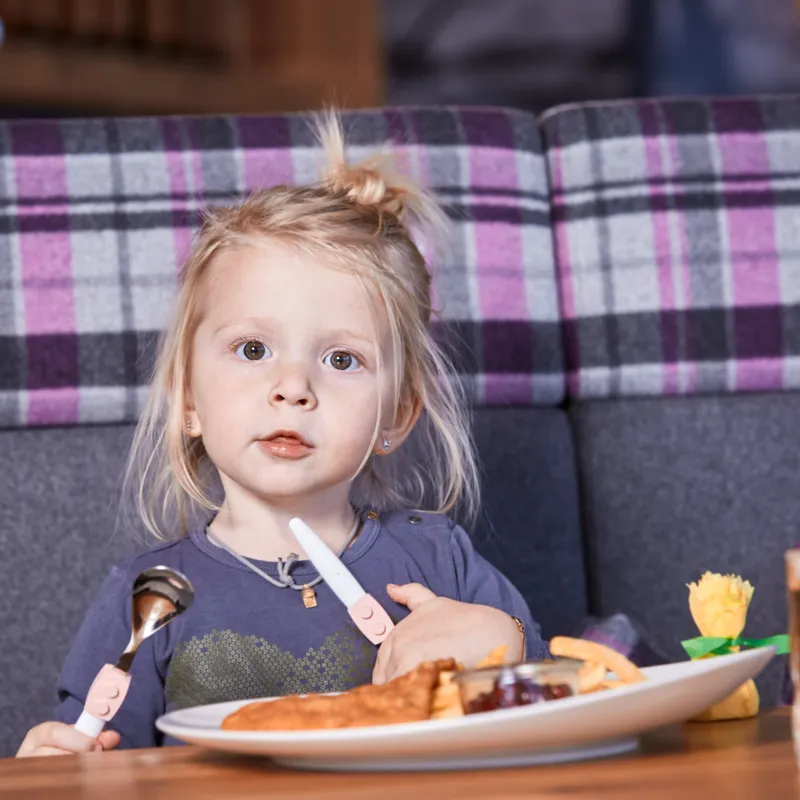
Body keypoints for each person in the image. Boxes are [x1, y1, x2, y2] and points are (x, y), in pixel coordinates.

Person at [17, 113, 546, 756]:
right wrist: (59, 763)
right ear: (188, 400)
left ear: (398, 416)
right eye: (252, 348)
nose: (292, 387)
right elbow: (95, 755)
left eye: (341, 360)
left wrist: (499, 635)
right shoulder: (147, 599)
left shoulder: (440, 561)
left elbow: (550, 690)